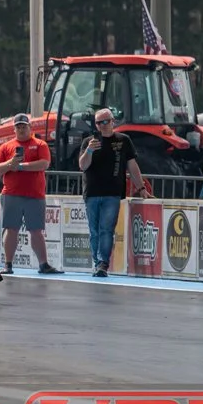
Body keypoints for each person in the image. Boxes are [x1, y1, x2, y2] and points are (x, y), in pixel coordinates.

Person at [78, 107, 146, 277]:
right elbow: (83, 166)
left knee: (106, 229)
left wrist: (141, 187)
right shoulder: (88, 141)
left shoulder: (123, 140)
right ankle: (97, 262)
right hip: (92, 192)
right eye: (99, 123)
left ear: (113, 121)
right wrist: (89, 151)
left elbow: (132, 166)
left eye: (106, 121)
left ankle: (103, 263)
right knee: (94, 231)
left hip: (112, 193)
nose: (103, 125)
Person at [0, 113, 60, 274]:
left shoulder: (40, 144)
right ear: (14, 129)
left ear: (30, 127)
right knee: (11, 229)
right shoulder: (5, 147)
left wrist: (21, 166)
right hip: (11, 194)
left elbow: (44, 164)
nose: (21, 129)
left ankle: (43, 264)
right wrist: (10, 163)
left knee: (36, 230)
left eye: (24, 126)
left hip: (35, 195)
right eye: (18, 127)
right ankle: (8, 264)